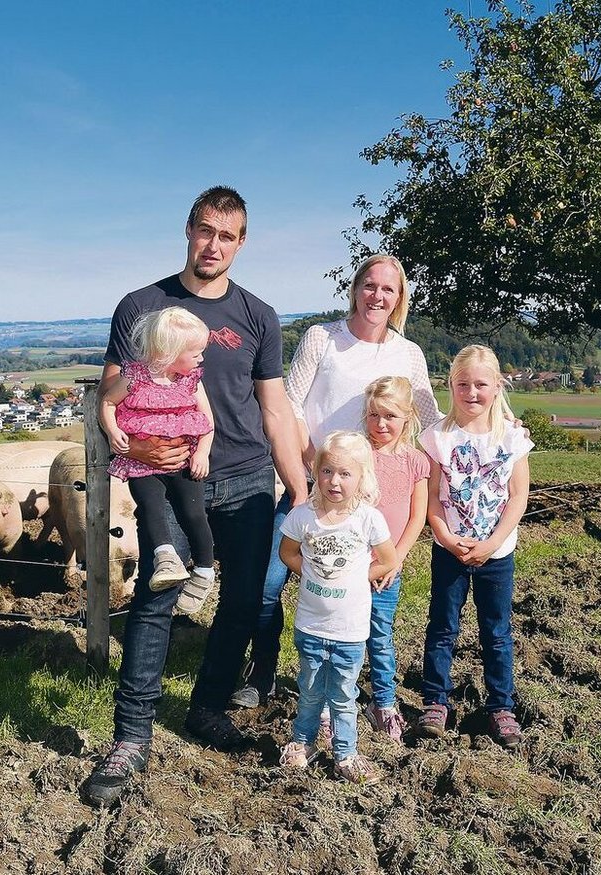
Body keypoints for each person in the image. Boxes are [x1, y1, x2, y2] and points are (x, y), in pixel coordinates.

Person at [81, 186, 307, 807]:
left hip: (245, 477)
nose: (214, 245)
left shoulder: (258, 316)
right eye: (206, 231)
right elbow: (112, 391)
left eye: (227, 236)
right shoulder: (142, 305)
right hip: (172, 477)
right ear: (188, 230)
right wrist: (134, 446)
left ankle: (206, 709)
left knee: (240, 602)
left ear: (242, 243)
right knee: (157, 596)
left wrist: (300, 485)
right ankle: (130, 738)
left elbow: (275, 405)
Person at [231, 254, 440, 709]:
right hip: (310, 486)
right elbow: (289, 407)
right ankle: (262, 670)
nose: (377, 296)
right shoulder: (322, 338)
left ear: (399, 298)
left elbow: (431, 419)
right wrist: (306, 472)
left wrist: (494, 426)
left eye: (388, 289)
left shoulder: (408, 354)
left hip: (368, 503)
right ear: (355, 289)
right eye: (369, 285)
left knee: (360, 589)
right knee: (269, 582)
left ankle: (358, 683)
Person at [415, 344, 532, 747]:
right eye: (463, 384)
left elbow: (518, 495)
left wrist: (493, 542)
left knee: (496, 632)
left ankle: (501, 706)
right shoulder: (435, 437)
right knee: (443, 627)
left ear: (497, 386)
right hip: (449, 551)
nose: (472, 393)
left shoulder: (513, 438)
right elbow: (430, 495)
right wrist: (444, 537)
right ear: (451, 385)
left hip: (497, 555)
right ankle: (435, 701)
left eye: (481, 384)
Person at [277, 431, 395, 784]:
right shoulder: (302, 517)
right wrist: (312, 575)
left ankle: (346, 754)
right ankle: (303, 743)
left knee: (344, 695)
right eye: (327, 471)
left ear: (362, 478)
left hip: (350, 631)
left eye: (345, 474)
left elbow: (388, 560)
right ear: (316, 472)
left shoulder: (368, 519)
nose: (334, 481)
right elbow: (287, 553)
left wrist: (358, 578)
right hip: (311, 626)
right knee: (311, 689)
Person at [100, 306, 216, 595]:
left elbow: (208, 423)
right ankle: (166, 559)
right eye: (196, 353)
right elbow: (107, 403)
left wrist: (202, 453)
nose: (201, 358)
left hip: (183, 462)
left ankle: (204, 570)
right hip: (142, 464)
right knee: (150, 508)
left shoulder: (190, 382)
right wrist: (114, 432)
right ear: (170, 352)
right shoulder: (133, 378)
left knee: (193, 514)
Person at [360, 376, 430, 740]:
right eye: (373, 415)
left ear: (408, 417)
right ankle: (332, 701)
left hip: (389, 568)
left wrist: (395, 559)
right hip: (353, 565)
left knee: (380, 633)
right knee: (347, 636)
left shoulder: (416, 462)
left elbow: (418, 516)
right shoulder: (357, 455)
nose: (381, 424)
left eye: (390, 416)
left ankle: (383, 701)